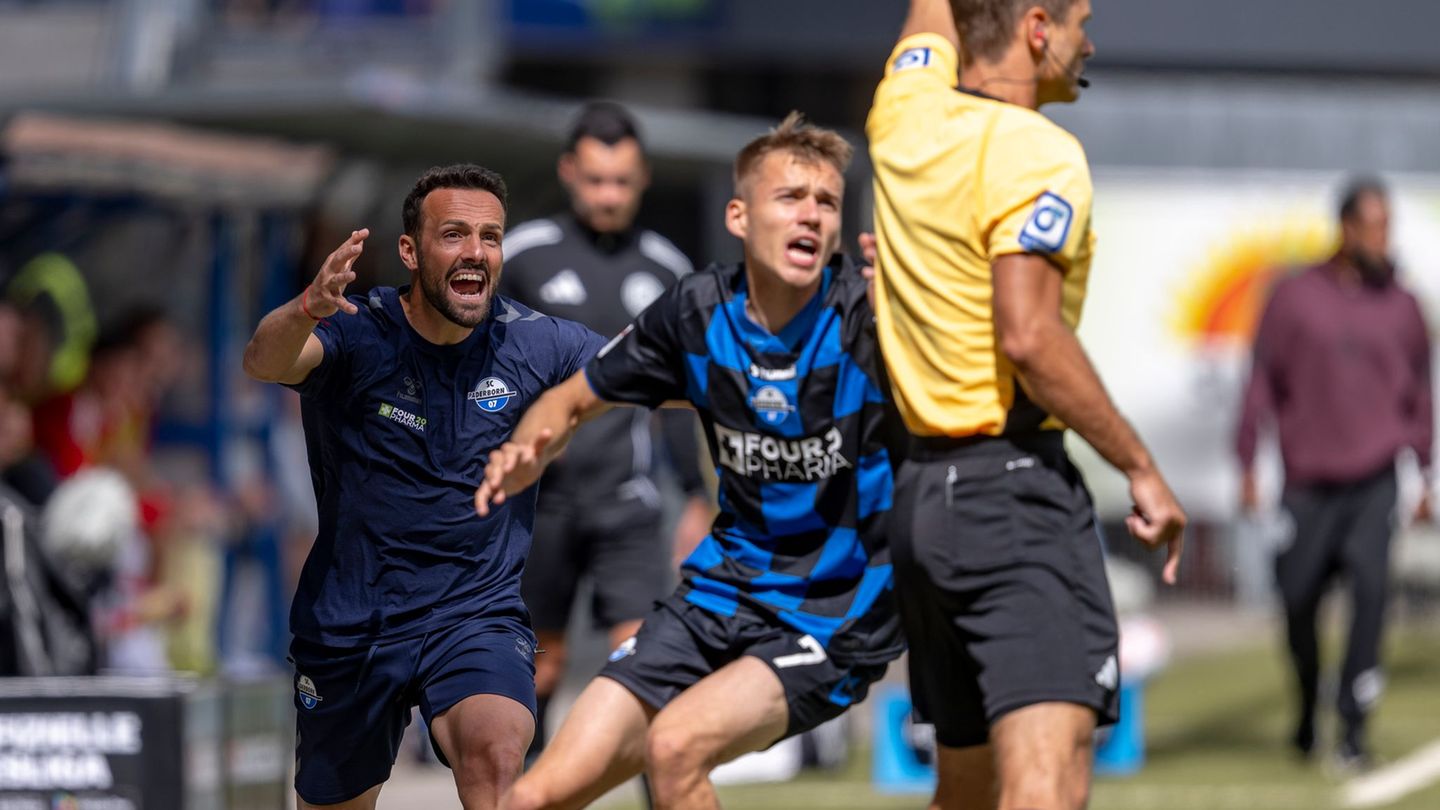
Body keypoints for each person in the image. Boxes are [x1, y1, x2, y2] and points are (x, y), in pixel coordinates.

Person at [478, 113, 902, 810]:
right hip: (721, 591)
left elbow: (989, 361)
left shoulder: (870, 316)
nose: (810, 214)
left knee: (675, 745)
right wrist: (528, 448)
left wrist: (925, 300)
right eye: (789, 197)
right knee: (532, 798)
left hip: (835, 609)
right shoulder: (698, 311)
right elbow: (573, 399)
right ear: (739, 215)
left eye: (825, 201)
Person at [866, 2, 1187, 808]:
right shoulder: (1040, 153)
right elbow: (1030, 337)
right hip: (1012, 500)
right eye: (1080, 19)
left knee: (966, 791)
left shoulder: (902, 112)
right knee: (1048, 785)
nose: (1091, 40)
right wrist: (1141, 469)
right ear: (1038, 28)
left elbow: (932, 18)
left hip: (923, 504)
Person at [242, 164, 606, 810]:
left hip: (475, 615)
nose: (475, 253)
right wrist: (306, 309)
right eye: (455, 235)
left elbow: (643, 368)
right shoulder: (359, 333)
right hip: (353, 622)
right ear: (410, 251)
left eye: (490, 237)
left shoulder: (534, 341)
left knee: (496, 752)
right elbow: (265, 361)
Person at [498, 101, 712, 759]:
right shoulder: (522, 256)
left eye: (621, 181)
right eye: (595, 180)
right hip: (539, 503)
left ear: (642, 177)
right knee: (540, 667)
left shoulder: (669, 270)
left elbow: (680, 392)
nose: (608, 194)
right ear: (569, 172)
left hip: (629, 501)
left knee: (648, 669)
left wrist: (697, 495)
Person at [1236, 177, 1431, 770]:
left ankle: (1353, 727)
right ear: (1346, 229)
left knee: (1372, 598)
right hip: (1307, 481)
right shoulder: (1293, 296)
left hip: (1375, 482)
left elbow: (1420, 395)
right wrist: (1247, 462)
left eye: (1388, 226)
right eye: (1373, 226)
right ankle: (1305, 705)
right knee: (1297, 600)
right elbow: (1261, 382)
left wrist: (1425, 470)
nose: (1383, 238)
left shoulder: (1403, 306)